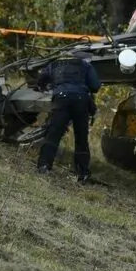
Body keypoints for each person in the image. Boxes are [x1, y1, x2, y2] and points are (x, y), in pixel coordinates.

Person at [36, 51, 101, 183]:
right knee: (81, 137)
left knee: (54, 133)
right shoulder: (85, 65)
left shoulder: (53, 65)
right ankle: (82, 173)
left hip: (61, 99)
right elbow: (95, 86)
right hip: (81, 100)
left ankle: (44, 165)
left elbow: (41, 81)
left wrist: (47, 87)